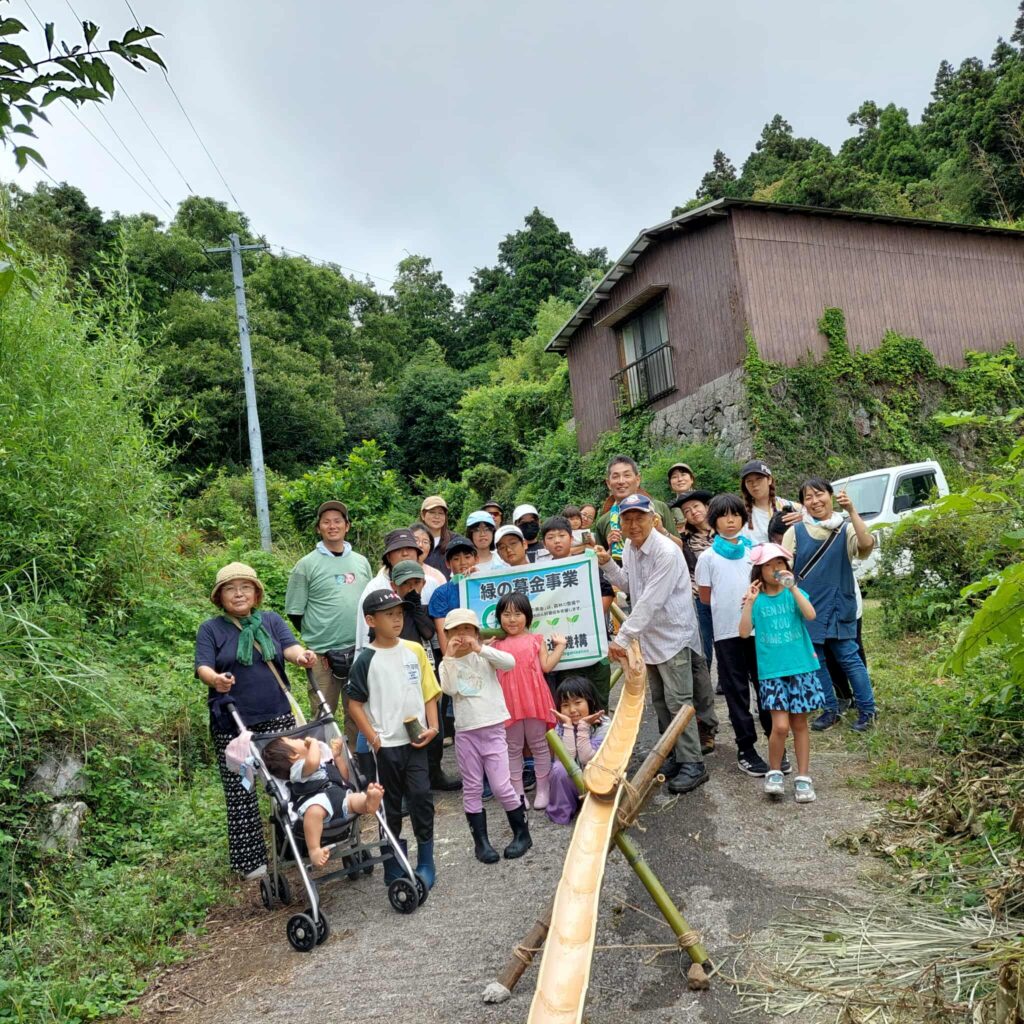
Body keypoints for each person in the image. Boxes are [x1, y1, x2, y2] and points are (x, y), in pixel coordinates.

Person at [195, 562, 319, 879]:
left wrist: (302, 656)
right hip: (232, 722)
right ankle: (250, 862)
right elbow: (203, 666)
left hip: (277, 714)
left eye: (245, 587)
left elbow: (289, 648)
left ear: (256, 593)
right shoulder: (211, 629)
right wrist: (215, 680)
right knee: (241, 791)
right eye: (230, 588)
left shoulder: (271, 620)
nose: (238, 593)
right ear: (219, 596)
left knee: (291, 780)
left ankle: (299, 845)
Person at [595, 494, 708, 794]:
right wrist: (607, 563)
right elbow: (629, 585)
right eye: (627, 519)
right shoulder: (631, 547)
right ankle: (672, 754)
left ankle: (693, 762)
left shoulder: (666, 551)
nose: (634, 525)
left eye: (640, 518)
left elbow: (650, 601)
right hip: (650, 636)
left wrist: (622, 638)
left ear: (653, 519)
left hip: (673, 635)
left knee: (679, 701)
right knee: (659, 700)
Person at [345, 588, 441, 889]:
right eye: (389, 615)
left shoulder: (414, 650)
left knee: (421, 797)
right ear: (371, 620)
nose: (397, 620)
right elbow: (354, 704)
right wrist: (373, 739)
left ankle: (426, 862)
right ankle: (393, 862)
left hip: (416, 742)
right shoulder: (365, 660)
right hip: (385, 748)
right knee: (389, 804)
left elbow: (429, 691)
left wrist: (434, 727)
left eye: (399, 614)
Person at [695, 494, 783, 778]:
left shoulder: (755, 553)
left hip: (760, 631)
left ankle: (776, 744)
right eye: (723, 516)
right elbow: (705, 597)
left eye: (735, 515)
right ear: (714, 521)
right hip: (726, 633)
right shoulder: (707, 558)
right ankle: (746, 749)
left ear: (743, 519)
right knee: (737, 693)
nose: (730, 520)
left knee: (766, 686)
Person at [782, 478, 878, 733]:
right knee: (817, 661)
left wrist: (852, 511)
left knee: (849, 657)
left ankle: (868, 710)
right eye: (808, 497)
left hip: (838, 604)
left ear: (831, 495)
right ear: (803, 504)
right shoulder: (795, 532)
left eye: (819, 494)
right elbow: (783, 567)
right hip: (808, 606)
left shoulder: (846, 529)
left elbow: (866, 545)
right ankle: (830, 709)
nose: (815, 501)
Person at [439, 608, 533, 862]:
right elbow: (449, 689)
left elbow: (510, 663)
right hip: (466, 733)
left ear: (476, 632)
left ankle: (522, 834)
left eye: (467, 629)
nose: (462, 635)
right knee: (472, 787)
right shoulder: (447, 663)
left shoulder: (485, 656)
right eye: (455, 631)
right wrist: (449, 656)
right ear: (447, 635)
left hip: (493, 728)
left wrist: (480, 648)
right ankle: (481, 843)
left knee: (502, 785)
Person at [738, 544, 823, 803]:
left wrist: (793, 587)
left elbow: (810, 614)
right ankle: (774, 772)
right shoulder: (757, 600)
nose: (775, 569)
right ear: (759, 571)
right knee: (781, 726)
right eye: (768, 565)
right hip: (772, 673)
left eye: (779, 563)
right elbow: (744, 633)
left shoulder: (793, 594)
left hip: (801, 668)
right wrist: (749, 603)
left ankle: (803, 777)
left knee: (799, 724)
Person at [285, 500, 372, 749]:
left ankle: (356, 761)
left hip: (359, 650)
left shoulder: (361, 562)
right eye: (326, 522)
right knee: (323, 715)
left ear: (347, 526)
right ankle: (324, 763)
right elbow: (295, 611)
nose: (332, 526)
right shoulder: (305, 565)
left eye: (337, 521)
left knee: (358, 711)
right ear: (318, 528)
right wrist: (320, 635)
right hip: (322, 656)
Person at [263, 735, 385, 866]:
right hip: (318, 802)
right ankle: (314, 849)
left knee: (354, 799)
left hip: (338, 795)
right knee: (313, 813)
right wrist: (314, 743)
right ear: (293, 756)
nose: (299, 739)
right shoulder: (297, 769)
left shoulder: (322, 762)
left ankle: (368, 803)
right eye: (292, 740)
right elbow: (312, 763)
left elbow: (343, 777)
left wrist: (337, 757)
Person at [490, 592, 563, 809]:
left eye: (517, 614)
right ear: (499, 617)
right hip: (508, 702)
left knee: (539, 745)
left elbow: (546, 666)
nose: (512, 619)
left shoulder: (536, 640)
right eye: (506, 614)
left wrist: (560, 646)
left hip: (534, 699)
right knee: (512, 748)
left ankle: (543, 789)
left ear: (527, 616)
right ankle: (517, 792)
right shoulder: (495, 645)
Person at [541, 515, 614, 709]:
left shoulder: (585, 564)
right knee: (571, 707)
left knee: (599, 707)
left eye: (561, 535)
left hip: (593, 649)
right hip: (564, 656)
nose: (557, 541)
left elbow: (607, 592)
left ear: (571, 538)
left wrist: (590, 617)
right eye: (550, 537)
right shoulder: (540, 573)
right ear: (544, 544)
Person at [545, 677, 610, 825]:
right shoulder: (562, 725)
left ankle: (597, 807)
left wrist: (583, 727)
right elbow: (567, 760)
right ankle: (562, 812)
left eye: (578, 702)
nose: (572, 710)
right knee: (558, 769)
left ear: (590, 701)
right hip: (574, 783)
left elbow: (586, 758)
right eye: (565, 705)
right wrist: (568, 726)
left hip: (597, 780)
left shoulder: (604, 724)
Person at [594, 455, 680, 561]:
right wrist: (610, 550)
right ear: (608, 483)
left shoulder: (658, 508)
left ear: (638, 479)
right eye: (615, 477)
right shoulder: (603, 522)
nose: (621, 481)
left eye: (627, 475)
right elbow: (600, 561)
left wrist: (662, 531)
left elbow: (679, 548)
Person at [673, 489, 716, 669]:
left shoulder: (724, 531)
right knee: (704, 644)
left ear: (706, 507)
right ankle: (705, 679)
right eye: (687, 511)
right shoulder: (686, 540)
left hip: (726, 595)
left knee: (729, 642)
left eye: (696, 506)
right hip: (700, 597)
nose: (693, 512)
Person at [428, 534, 478, 653]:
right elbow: (442, 632)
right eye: (456, 559)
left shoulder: (487, 585)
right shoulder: (441, 593)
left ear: (476, 559)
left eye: (467, 557)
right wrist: (448, 659)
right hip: (458, 653)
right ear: (448, 563)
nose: (463, 562)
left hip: (486, 650)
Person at [740, 460, 802, 546]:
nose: (754, 484)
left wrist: (805, 519)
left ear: (769, 479)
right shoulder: (740, 514)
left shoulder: (790, 506)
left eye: (759, 479)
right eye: (749, 481)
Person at [390, 560, 436, 663]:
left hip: (426, 667)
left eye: (417, 582)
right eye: (405, 583)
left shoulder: (427, 609)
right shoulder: (387, 615)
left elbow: (428, 633)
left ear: (423, 583)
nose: (411, 588)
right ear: (394, 586)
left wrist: (416, 605)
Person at [420, 495, 453, 579]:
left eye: (441, 513)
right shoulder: (412, 539)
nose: (437, 517)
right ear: (423, 515)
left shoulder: (455, 541)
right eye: (432, 512)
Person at [409, 523, 448, 589]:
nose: (420, 545)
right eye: (416, 540)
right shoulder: (393, 570)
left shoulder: (437, 576)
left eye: (425, 542)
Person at [667, 463, 696, 529]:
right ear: (670, 483)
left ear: (692, 479)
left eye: (683, 475)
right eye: (674, 477)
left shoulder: (705, 500)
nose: (680, 479)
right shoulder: (668, 508)